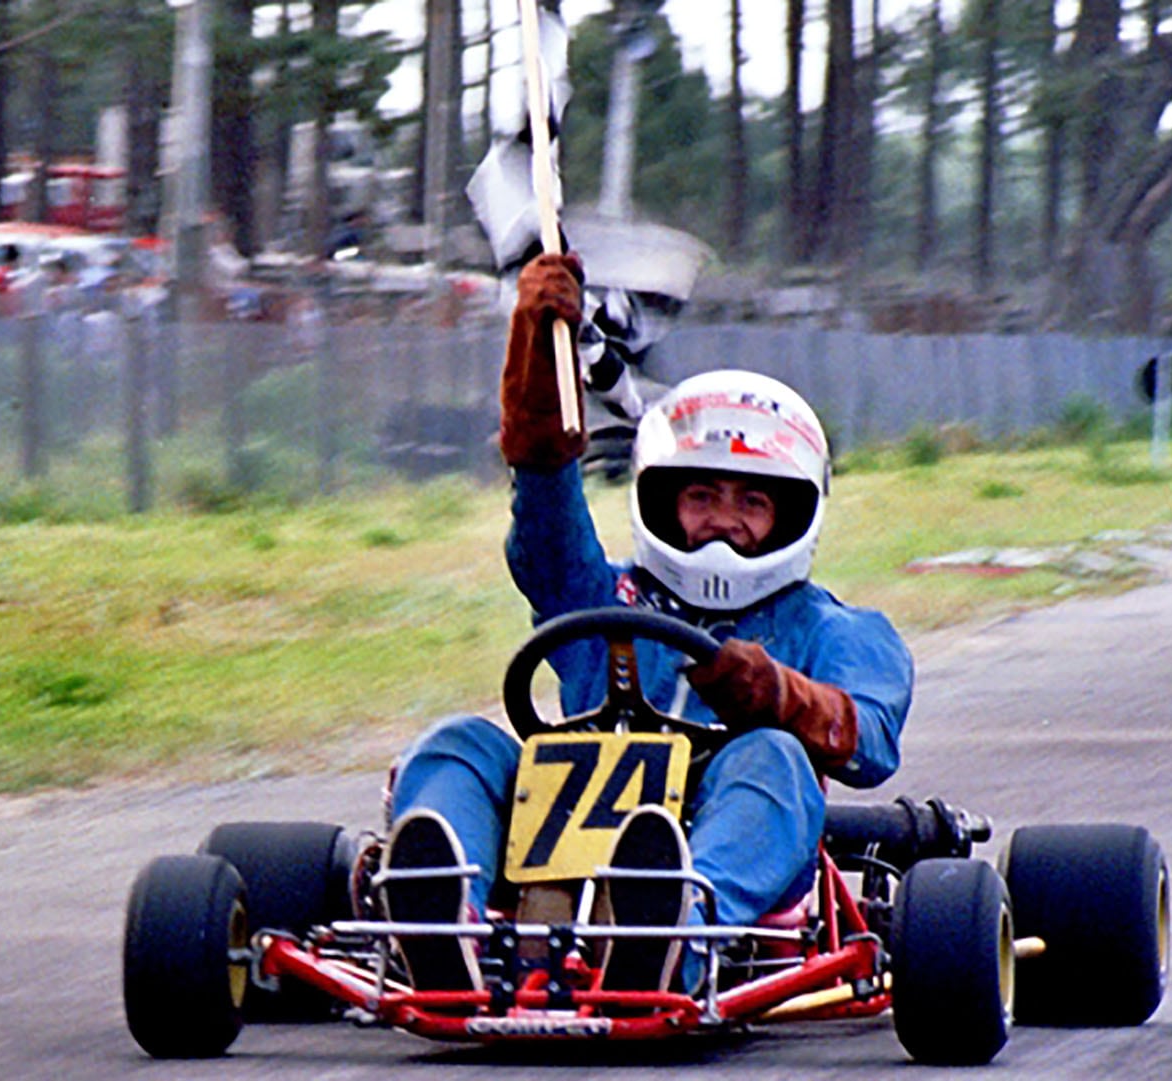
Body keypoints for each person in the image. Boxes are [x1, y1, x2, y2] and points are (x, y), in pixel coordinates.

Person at [378, 253, 912, 995]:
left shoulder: (840, 629)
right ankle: (445, 917)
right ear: (660, 499)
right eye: (700, 495)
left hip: (731, 840)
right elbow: (543, 521)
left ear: (793, 514)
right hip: (560, 823)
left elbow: (870, 743)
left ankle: (673, 922)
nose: (723, 521)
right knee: (455, 743)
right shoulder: (606, 594)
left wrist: (782, 697)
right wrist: (539, 358)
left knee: (774, 759)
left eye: (752, 503)